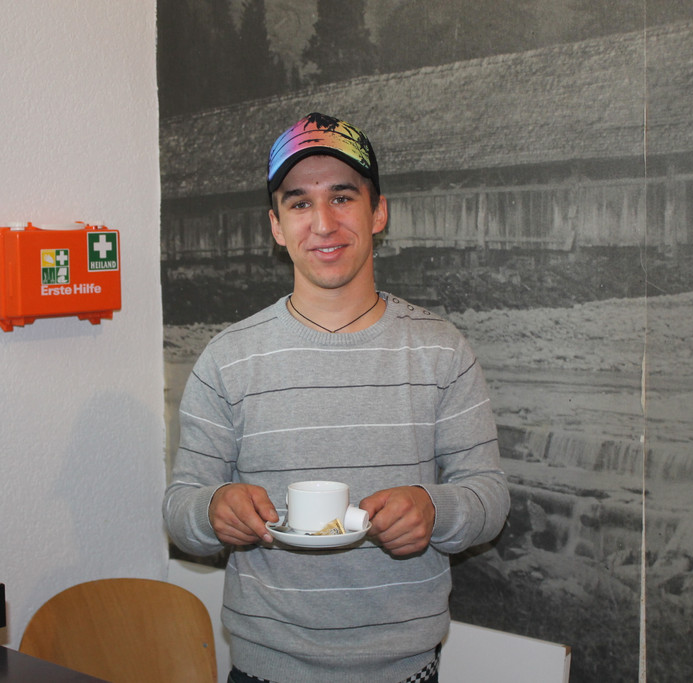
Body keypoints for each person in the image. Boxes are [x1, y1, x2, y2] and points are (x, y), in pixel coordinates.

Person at [163, 112, 510, 683]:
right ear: (276, 226)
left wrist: (435, 509)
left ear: (378, 212)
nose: (323, 223)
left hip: (405, 668)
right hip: (264, 667)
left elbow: (489, 497)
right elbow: (181, 509)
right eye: (299, 203)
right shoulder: (227, 358)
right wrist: (213, 508)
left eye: (342, 198)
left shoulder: (442, 350)